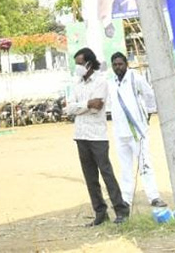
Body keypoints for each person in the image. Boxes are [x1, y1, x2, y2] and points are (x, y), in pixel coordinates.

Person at [66, 47, 129, 227]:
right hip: (80, 135)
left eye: (79, 63)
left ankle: (121, 210)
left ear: (89, 63)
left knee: (106, 173)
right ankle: (100, 212)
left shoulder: (101, 82)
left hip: (97, 135)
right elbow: (69, 108)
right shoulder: (76, 83)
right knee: (90, 177)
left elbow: (98, 107)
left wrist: (80, 107)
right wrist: (86, 104)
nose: (77, 67)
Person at [108, 52, 167, 210]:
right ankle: (126, 199)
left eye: (120, 64)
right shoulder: (111, 83)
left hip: (137, 131)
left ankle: (153, 196)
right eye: (115, 65)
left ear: (126, 64)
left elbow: (149, 95)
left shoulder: (135, 78)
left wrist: (147, 114)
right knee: (125, 168)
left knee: (145, 165)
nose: (118, 67)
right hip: (120, 132)